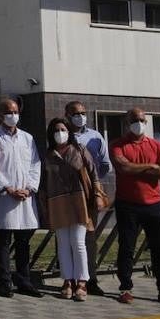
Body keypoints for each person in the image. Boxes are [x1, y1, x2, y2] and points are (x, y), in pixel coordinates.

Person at [111, 108, 160, 306]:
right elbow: (123, 168)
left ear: (146, 122)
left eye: (141, 120)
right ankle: (125, 288)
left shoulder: (157, 145)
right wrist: (152, 167)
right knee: (127, 248)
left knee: (159, 249)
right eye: (134, 120)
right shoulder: (118, 145)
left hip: (154, 204)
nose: (138, 123)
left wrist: (137, 168)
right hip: (127, 205)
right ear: (126, 122)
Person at [40, 118, 102, 300]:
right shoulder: (48, 155)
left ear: (69, 131)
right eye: (56, 130)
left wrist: (97, 194)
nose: (60, 133)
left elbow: (93, 172)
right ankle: (67, 280)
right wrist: (44, 206)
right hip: (57, 201)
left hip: (79, 200)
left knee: (78, 242)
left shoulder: (80, 150)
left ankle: (82, 282)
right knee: (63, 244)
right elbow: (43, 183)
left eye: (63, 129)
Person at [0, 98, 43, 298]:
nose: (13, 115)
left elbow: (35, 164)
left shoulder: (27, 138)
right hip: (6, 196)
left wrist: (29, 188)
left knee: (23, 241)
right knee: (3, 240)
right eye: (9, 111)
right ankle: (4, 281)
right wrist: (9, 189)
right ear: (1, 114)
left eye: (16, 111)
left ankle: (24, 280)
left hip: (26, 196)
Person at [65, 100, 113, 296]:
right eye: (76, 113)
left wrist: (95, 185)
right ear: (67, 115)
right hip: (67, 194)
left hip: (90, 193)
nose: (81, 116)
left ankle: (89, 279)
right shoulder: (62, 135)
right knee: (69, 239)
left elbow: (105, 164)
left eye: (83, 113)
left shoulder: (95, 136)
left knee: (89, 238)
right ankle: (70, 279)